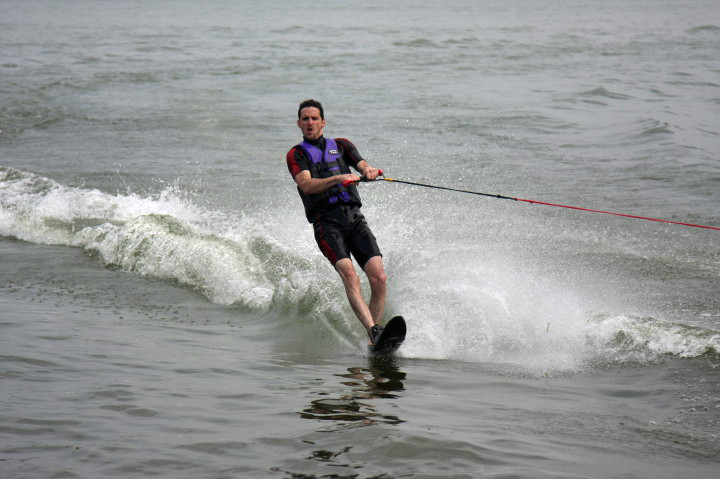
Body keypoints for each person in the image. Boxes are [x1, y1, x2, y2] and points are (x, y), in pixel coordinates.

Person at [286, 99, 387, 344]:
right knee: (349, 274)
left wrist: (369, 170)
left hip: (354, 219)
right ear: (299, 124)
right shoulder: (296, 154)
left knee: (379, 278)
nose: (310, 122)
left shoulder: (342, 146)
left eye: (314, 118)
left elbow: (362, 165)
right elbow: (306, 184)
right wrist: (338, 178)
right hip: (326, 224)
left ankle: (373, 339)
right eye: (305, 119)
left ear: (323, 122)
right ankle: (374, 330)